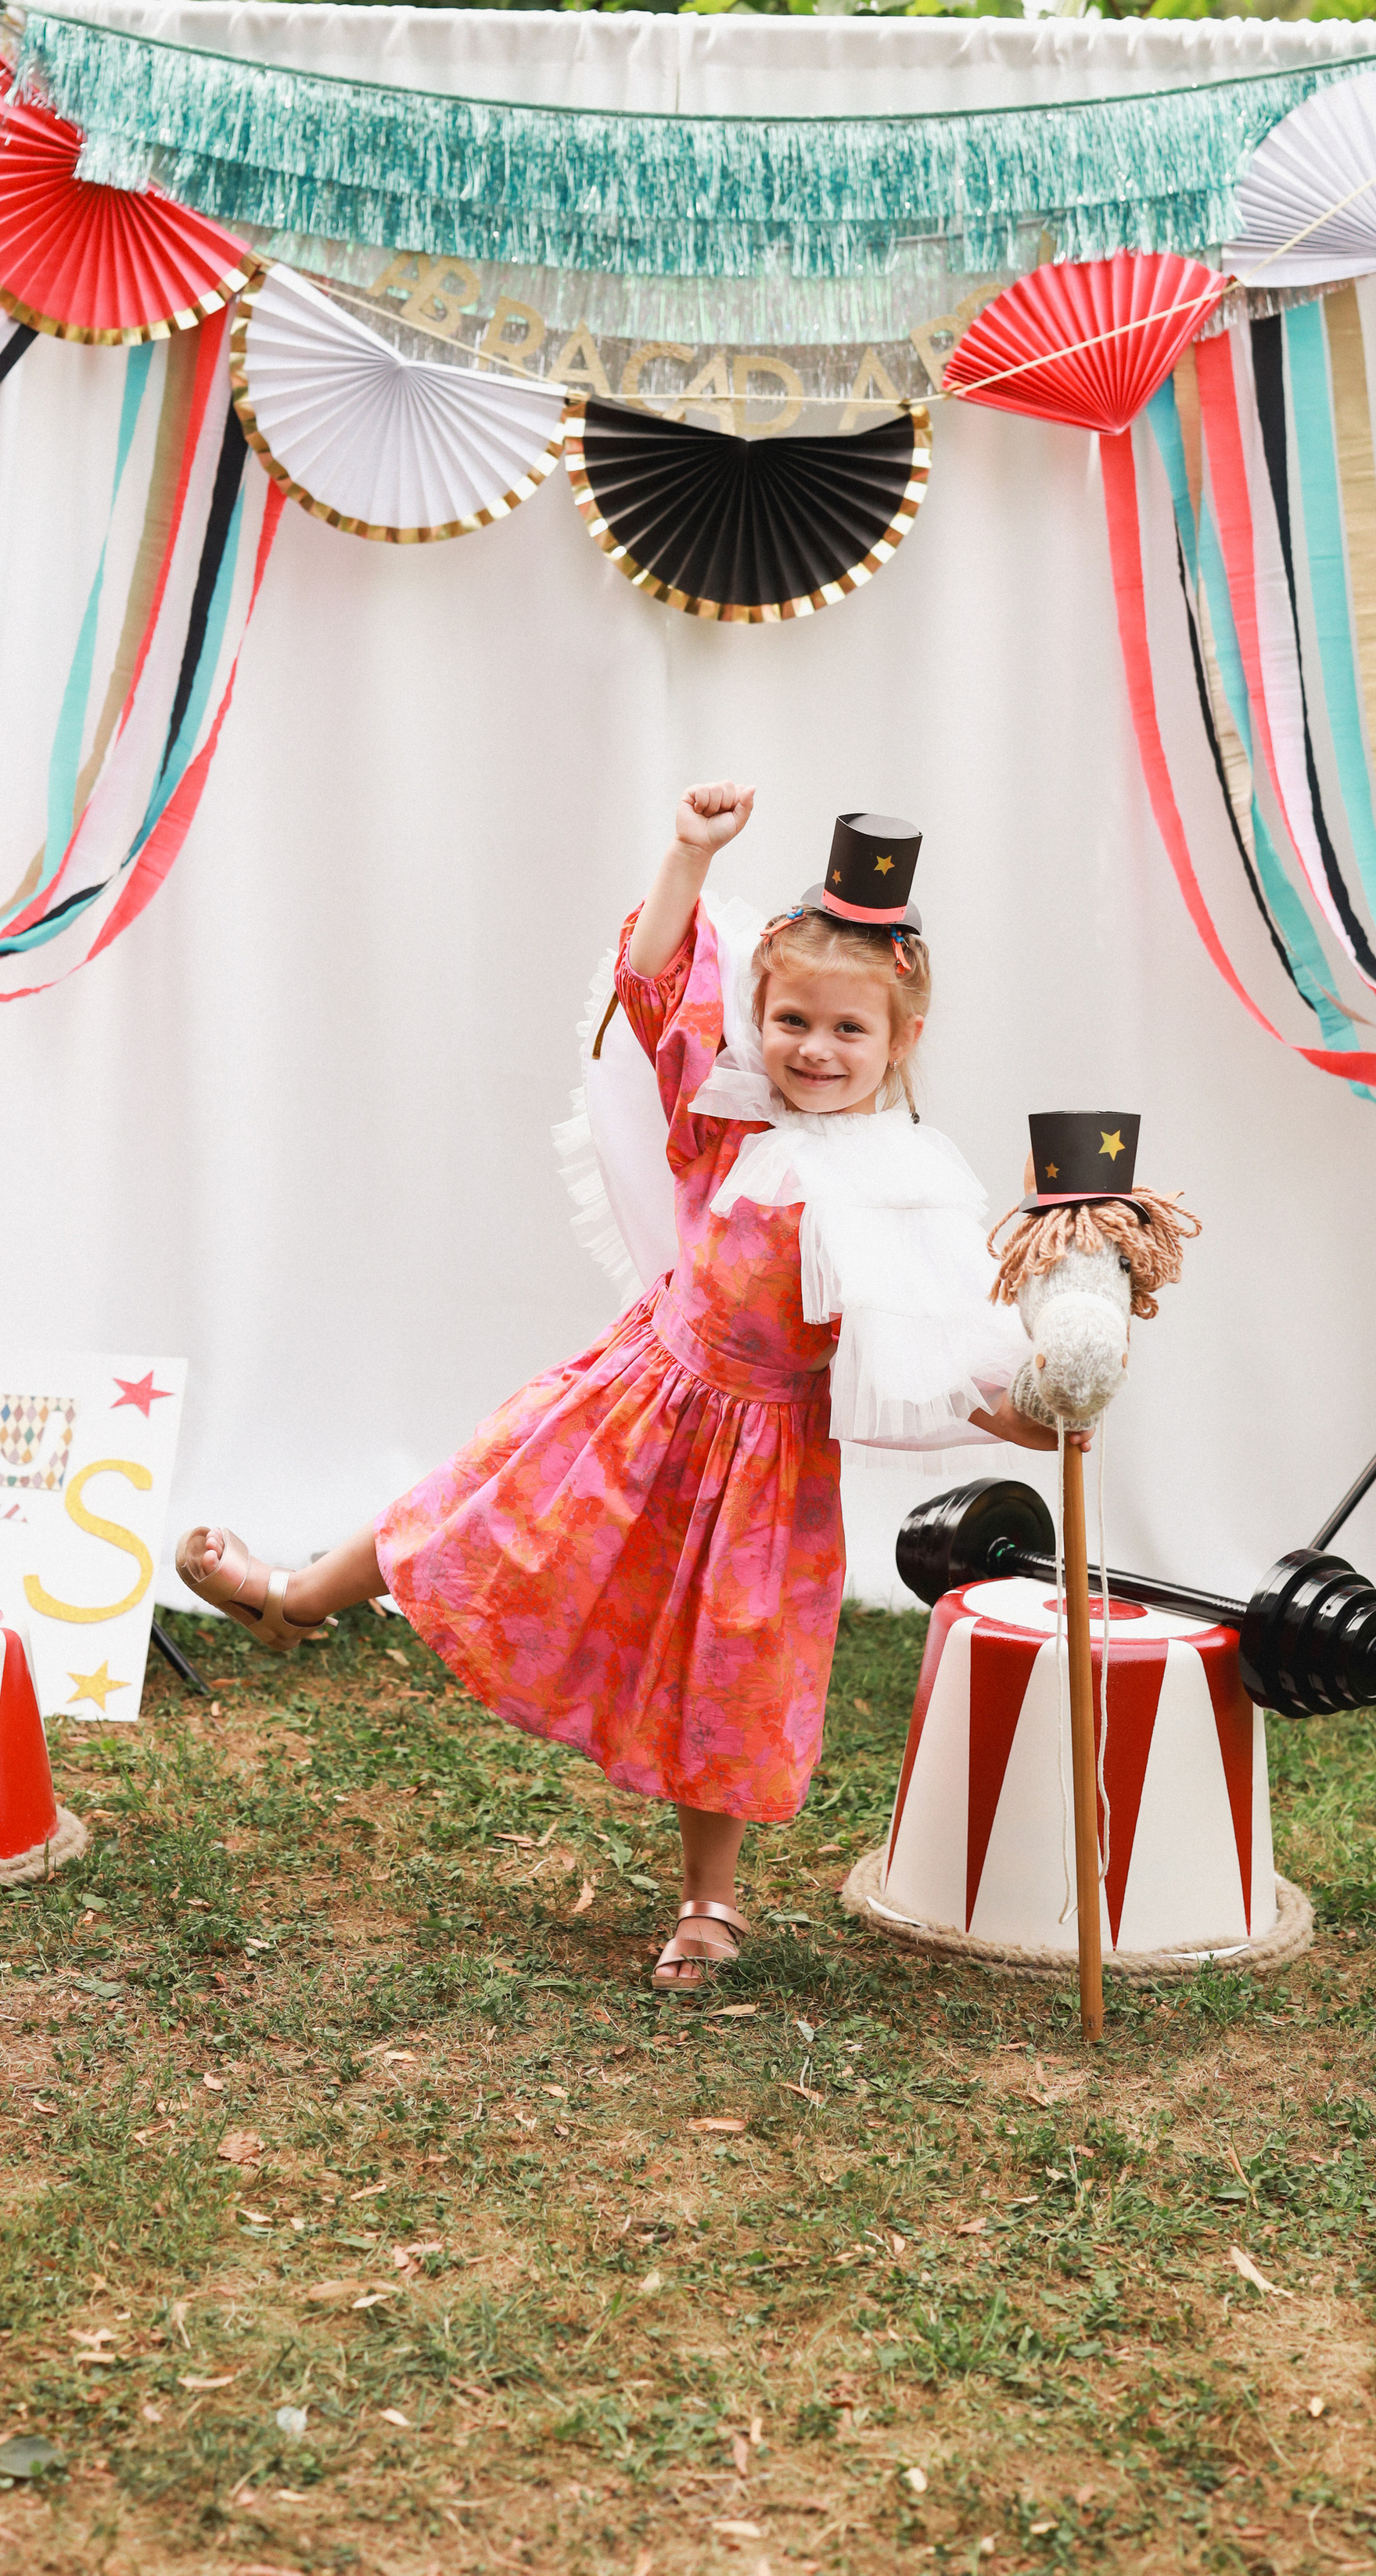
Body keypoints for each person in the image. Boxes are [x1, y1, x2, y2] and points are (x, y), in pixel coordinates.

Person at [175, 787, 1068, 1991]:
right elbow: (651, 988)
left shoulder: (905, 1191)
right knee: (477, 1514)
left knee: (729, 1673)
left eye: (849, 1032)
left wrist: (1030, 1417)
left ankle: (710, 1902)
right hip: (640, 1396)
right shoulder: (726, 1127)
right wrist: (691, 856)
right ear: (762, 1012)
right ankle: (291, 1599)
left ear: (899, 1041)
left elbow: (928, 1351)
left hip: (765, 1465)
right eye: (794, 1018)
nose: (816, 1049)